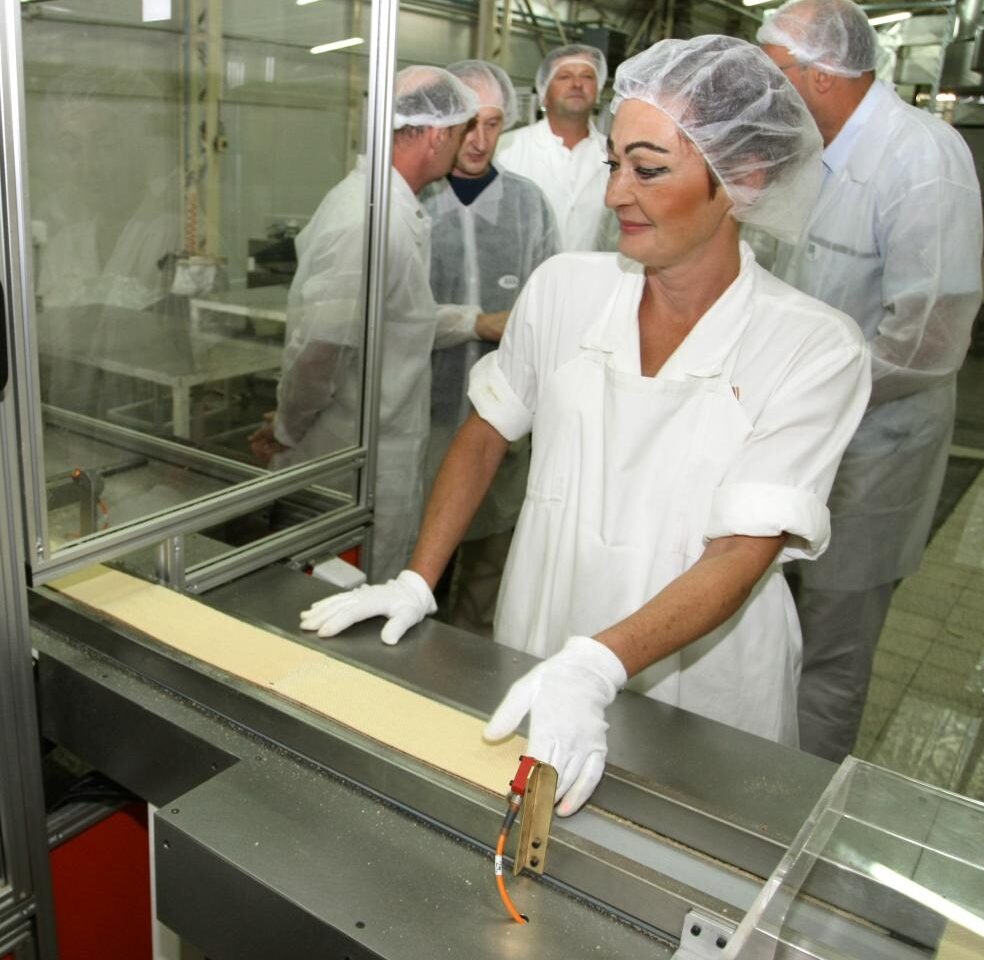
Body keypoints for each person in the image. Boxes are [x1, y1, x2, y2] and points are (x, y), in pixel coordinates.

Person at [301, 36, 872, 816]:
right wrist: (418, 578)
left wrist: (599, 665)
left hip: (701, 691)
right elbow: (486, 433)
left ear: (743, 178)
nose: (615, 195)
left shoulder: (813, 346)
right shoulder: (565, 290)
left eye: (648, 169)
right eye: (613, 164)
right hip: (542, 639)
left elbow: (744, 549)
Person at [759, 0, 984, 762]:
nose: (765, 88)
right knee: (771, 622)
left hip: (873, 448)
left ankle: (799, 799)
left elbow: (929, 339)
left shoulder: (920, 159)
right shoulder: (806, 151)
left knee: (832, 643)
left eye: (774, 71)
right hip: (797, 431)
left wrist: (813, 393)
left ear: (820, 76)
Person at [250, 66, 507, 583]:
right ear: (435, 134)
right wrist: (286, 428)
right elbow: (321, 349)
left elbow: (395, 319)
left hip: (368, 455)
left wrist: (476, 323)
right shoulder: (369, 219)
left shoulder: (391, 207)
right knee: (337, 593)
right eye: (462, 131)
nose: (467, 145)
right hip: (344, 462)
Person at [419, 59, 561, 631]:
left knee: (489, 576)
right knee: (418, 564)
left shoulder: (529, 206)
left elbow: (551, 311)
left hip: (505, 425)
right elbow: (391, 319)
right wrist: (478, 323)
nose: (479, 140)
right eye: (468, 124)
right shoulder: (415, 201)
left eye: (494, 124)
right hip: (421, 419)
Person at [496, 44, 612, 252]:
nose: (577, 84)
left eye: (587, 76)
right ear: (544, 92)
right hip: (525, 272)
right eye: (564, 76)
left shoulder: (615, 156)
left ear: (598, 91)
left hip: (591, 272)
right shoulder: (506, 149)